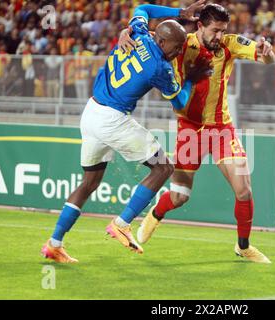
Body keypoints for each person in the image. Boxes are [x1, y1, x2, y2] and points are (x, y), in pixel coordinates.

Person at [41, 1, 208, 263]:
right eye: (176, 48)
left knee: (89, 183)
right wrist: (191, 78)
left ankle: (54, 243)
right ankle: (122, 222)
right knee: (163, 167)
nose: (177, 54)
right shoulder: (159, 67)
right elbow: (180, 102)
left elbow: (142, 8)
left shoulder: (138, 31)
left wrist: (180, 14)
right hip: (113, 118)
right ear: (162, 43)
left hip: (92, 111)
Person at [121, 4, 275, 263]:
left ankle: (243, 246)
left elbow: (266, 58)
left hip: (221, 128)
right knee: (180, 197)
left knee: (244, 190)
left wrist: (268, 54)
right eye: (215, 30)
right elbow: (150, 37)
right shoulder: (182, 44)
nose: (219, 36)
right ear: (200, 26)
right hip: (189, 129)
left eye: (223, 30)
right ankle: (156, 214)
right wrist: (127, 32)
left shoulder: (229, 44)